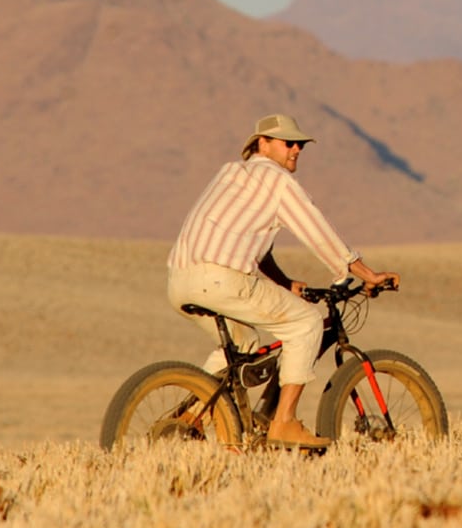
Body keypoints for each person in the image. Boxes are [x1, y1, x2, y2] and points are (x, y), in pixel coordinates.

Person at [166, 113, 400, 450]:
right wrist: (366, 273)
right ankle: (285, 423)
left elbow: (249, 242)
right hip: (221, 279)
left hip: (180, 279)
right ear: (262, 144)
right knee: (306, 324)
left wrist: (285, 282)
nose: (296, 149)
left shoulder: (230, 174)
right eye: (288, 142)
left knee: (242, 344)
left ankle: (192, 419)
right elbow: (317, 232)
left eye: (300, 144)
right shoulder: (277, 181)